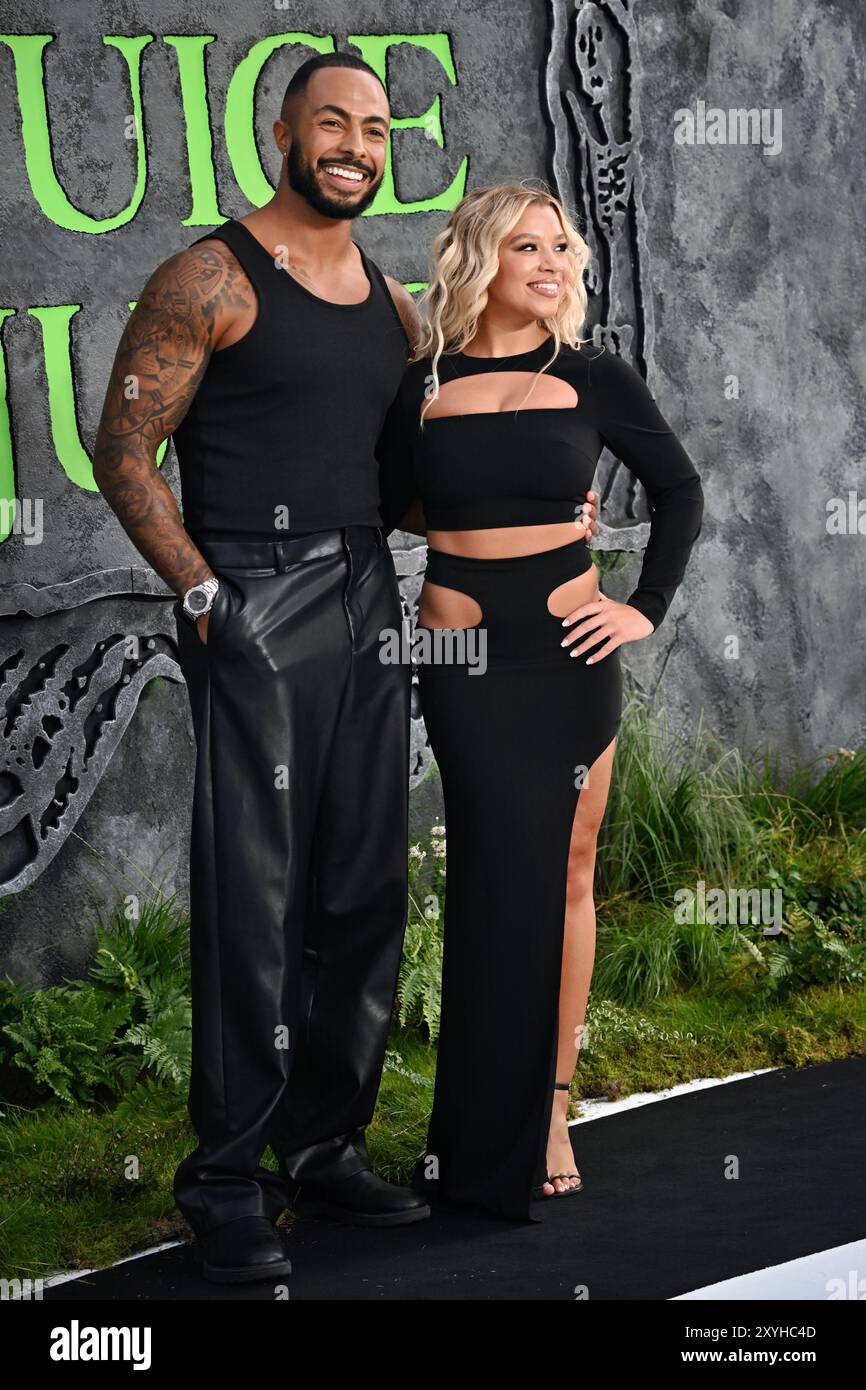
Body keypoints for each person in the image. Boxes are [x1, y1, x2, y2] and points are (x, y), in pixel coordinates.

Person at [91, 52, 451, 1284]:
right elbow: (123, 447)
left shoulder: (392, 302)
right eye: (332, 123)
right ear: (283, 132)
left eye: (376, 127)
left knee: (362, 885)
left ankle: (324, 1149)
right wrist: (203, 596)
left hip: (362, 589)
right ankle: (221, 1179)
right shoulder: (208, 274)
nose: (356, 143)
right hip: (251, 589)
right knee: (256, 901)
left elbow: (403, 488)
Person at [377, 181, 704, 1222]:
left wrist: (641, 605)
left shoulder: (595, 376)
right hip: (465, 655)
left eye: (561, 246)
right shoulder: (418, 380)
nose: (552, 262)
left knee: (566, 868)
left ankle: (553, 1109)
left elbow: (680, 491)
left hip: (568, 646)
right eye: (526, 246)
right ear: (480, 258)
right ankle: (472, 1134)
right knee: (487, 877)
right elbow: (395, 500)